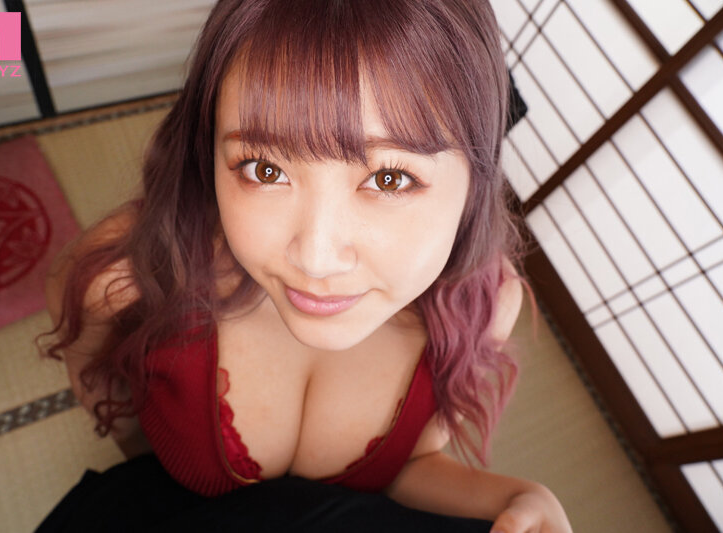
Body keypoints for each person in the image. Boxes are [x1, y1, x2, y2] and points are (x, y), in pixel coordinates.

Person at [36, 0, 572, 531]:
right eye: (264, 169)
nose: (315, 257)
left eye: (389, 178)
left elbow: (408, 465)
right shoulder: (123, 277)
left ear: (478, 176)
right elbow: (114, 411)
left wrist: (520, 496)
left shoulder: (484, 304)